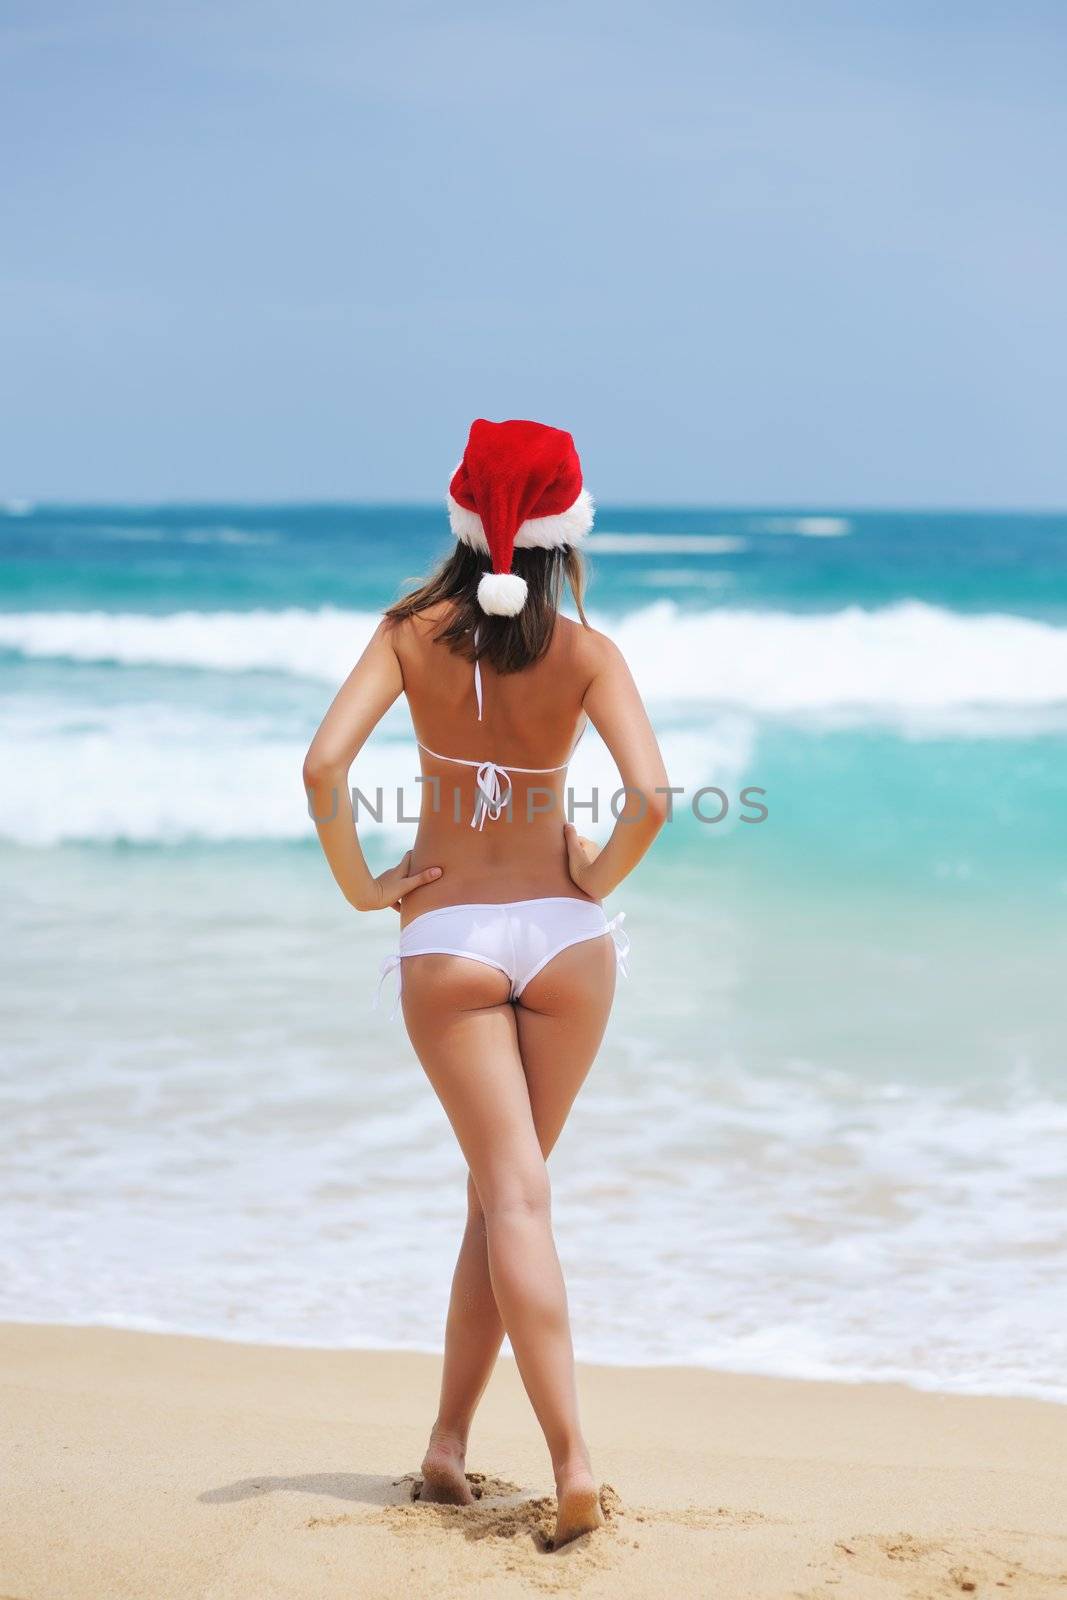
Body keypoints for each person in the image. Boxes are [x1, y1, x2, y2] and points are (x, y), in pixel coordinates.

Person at [303, 418, 668, 1547]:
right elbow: (652, 798)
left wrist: (365, 886)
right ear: (568, 527)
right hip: (566, 942)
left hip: (447, 938)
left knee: (501, 1192)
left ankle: (558, 1460)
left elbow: (323, 766)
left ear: (464, 512)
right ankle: (453, 1448)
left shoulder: (408, 633)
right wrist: (592, 871)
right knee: (505, 1191)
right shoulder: (590, 652)